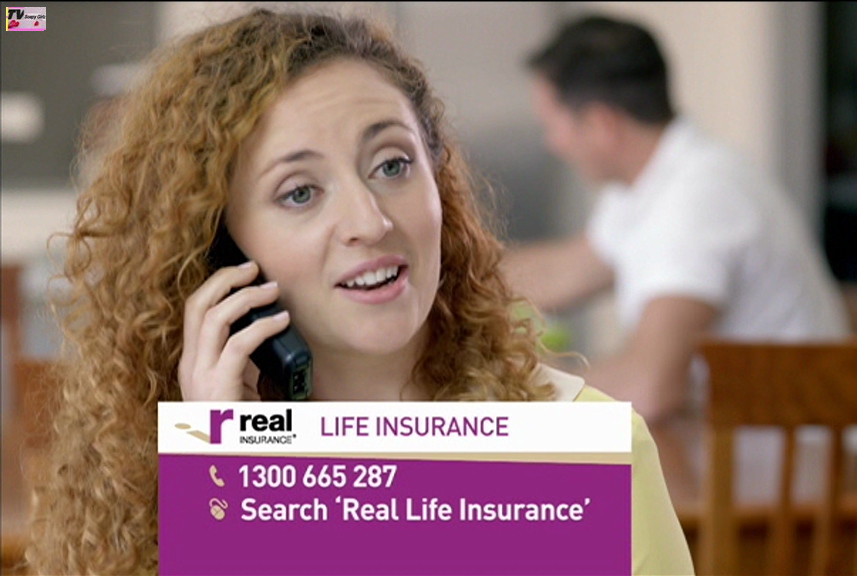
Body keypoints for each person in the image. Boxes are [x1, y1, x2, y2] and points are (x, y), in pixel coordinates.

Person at [25, 9, 693, 575]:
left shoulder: (590, 451)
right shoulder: (194, 473)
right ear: (217, 252)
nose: (371, 222)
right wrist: (226, 474)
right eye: (300, 193)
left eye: (393, 165)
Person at [503, 14, 849, 425]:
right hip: (739, 442)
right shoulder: (650, 182)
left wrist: (517, 392)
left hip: (792, 452)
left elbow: (649, 388)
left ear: (600, 124)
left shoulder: (697, 199)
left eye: (551, 127)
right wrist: (450, 280)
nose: (552, 144)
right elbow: (560, 273)